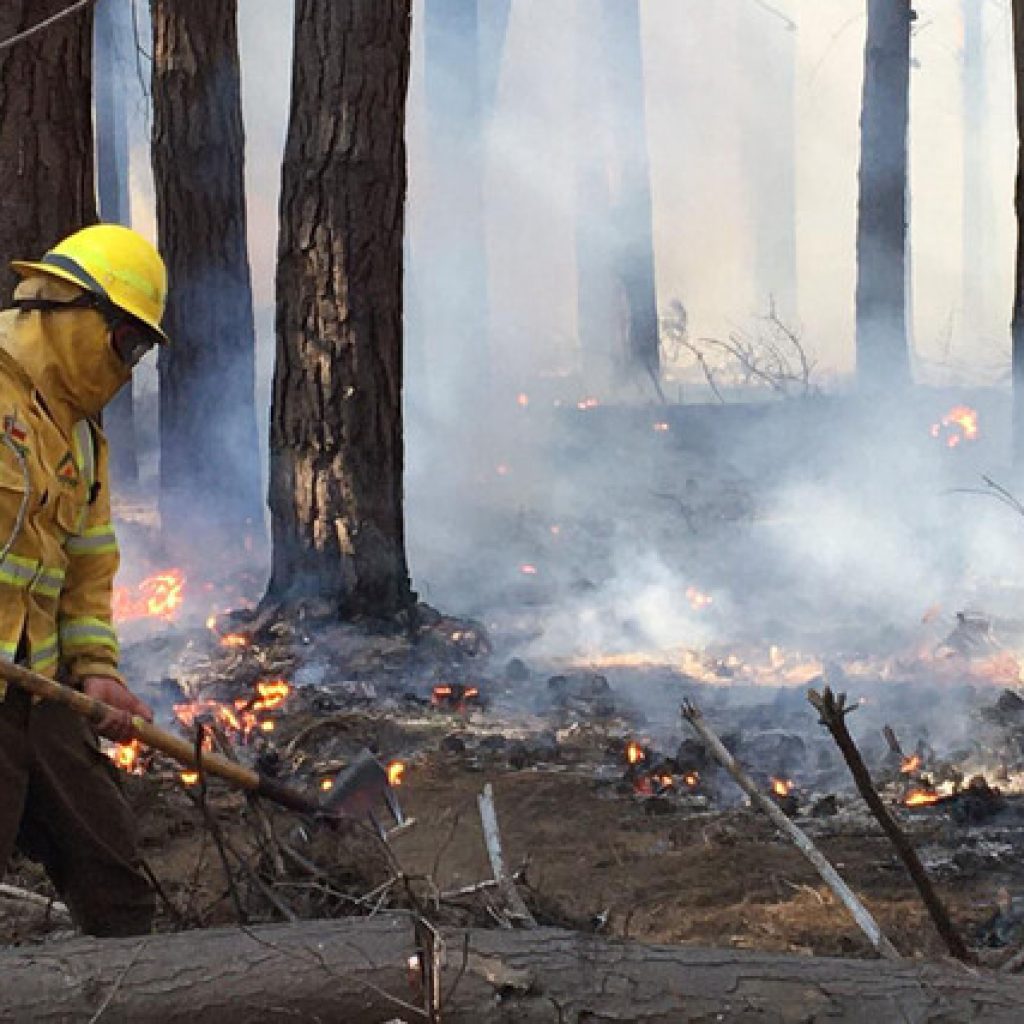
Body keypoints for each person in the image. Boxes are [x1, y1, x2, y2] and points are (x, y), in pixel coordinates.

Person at [0, 224, 168, 937]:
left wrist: (96, 671)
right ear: (72, 311)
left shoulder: (81, 439)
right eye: (125, 341)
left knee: (117, 886)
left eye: (140, 349)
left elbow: (88, 570)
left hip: (39, 695)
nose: (127, 364)